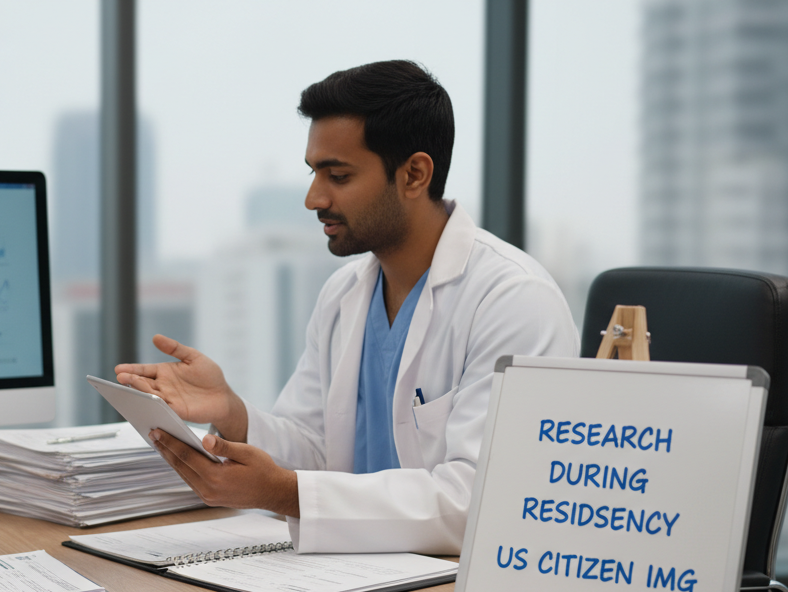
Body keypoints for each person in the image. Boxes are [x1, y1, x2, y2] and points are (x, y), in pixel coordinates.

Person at [115, 61, 579, 555]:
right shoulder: (343, 295)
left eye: (338, 175)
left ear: (415, 174)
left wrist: (286, 494)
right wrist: (232, 413)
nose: (314, 198)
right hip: (357, 574)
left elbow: (482, 502)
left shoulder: (514, 301)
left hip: (453, 587)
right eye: (314, 173)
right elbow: (316, 451)